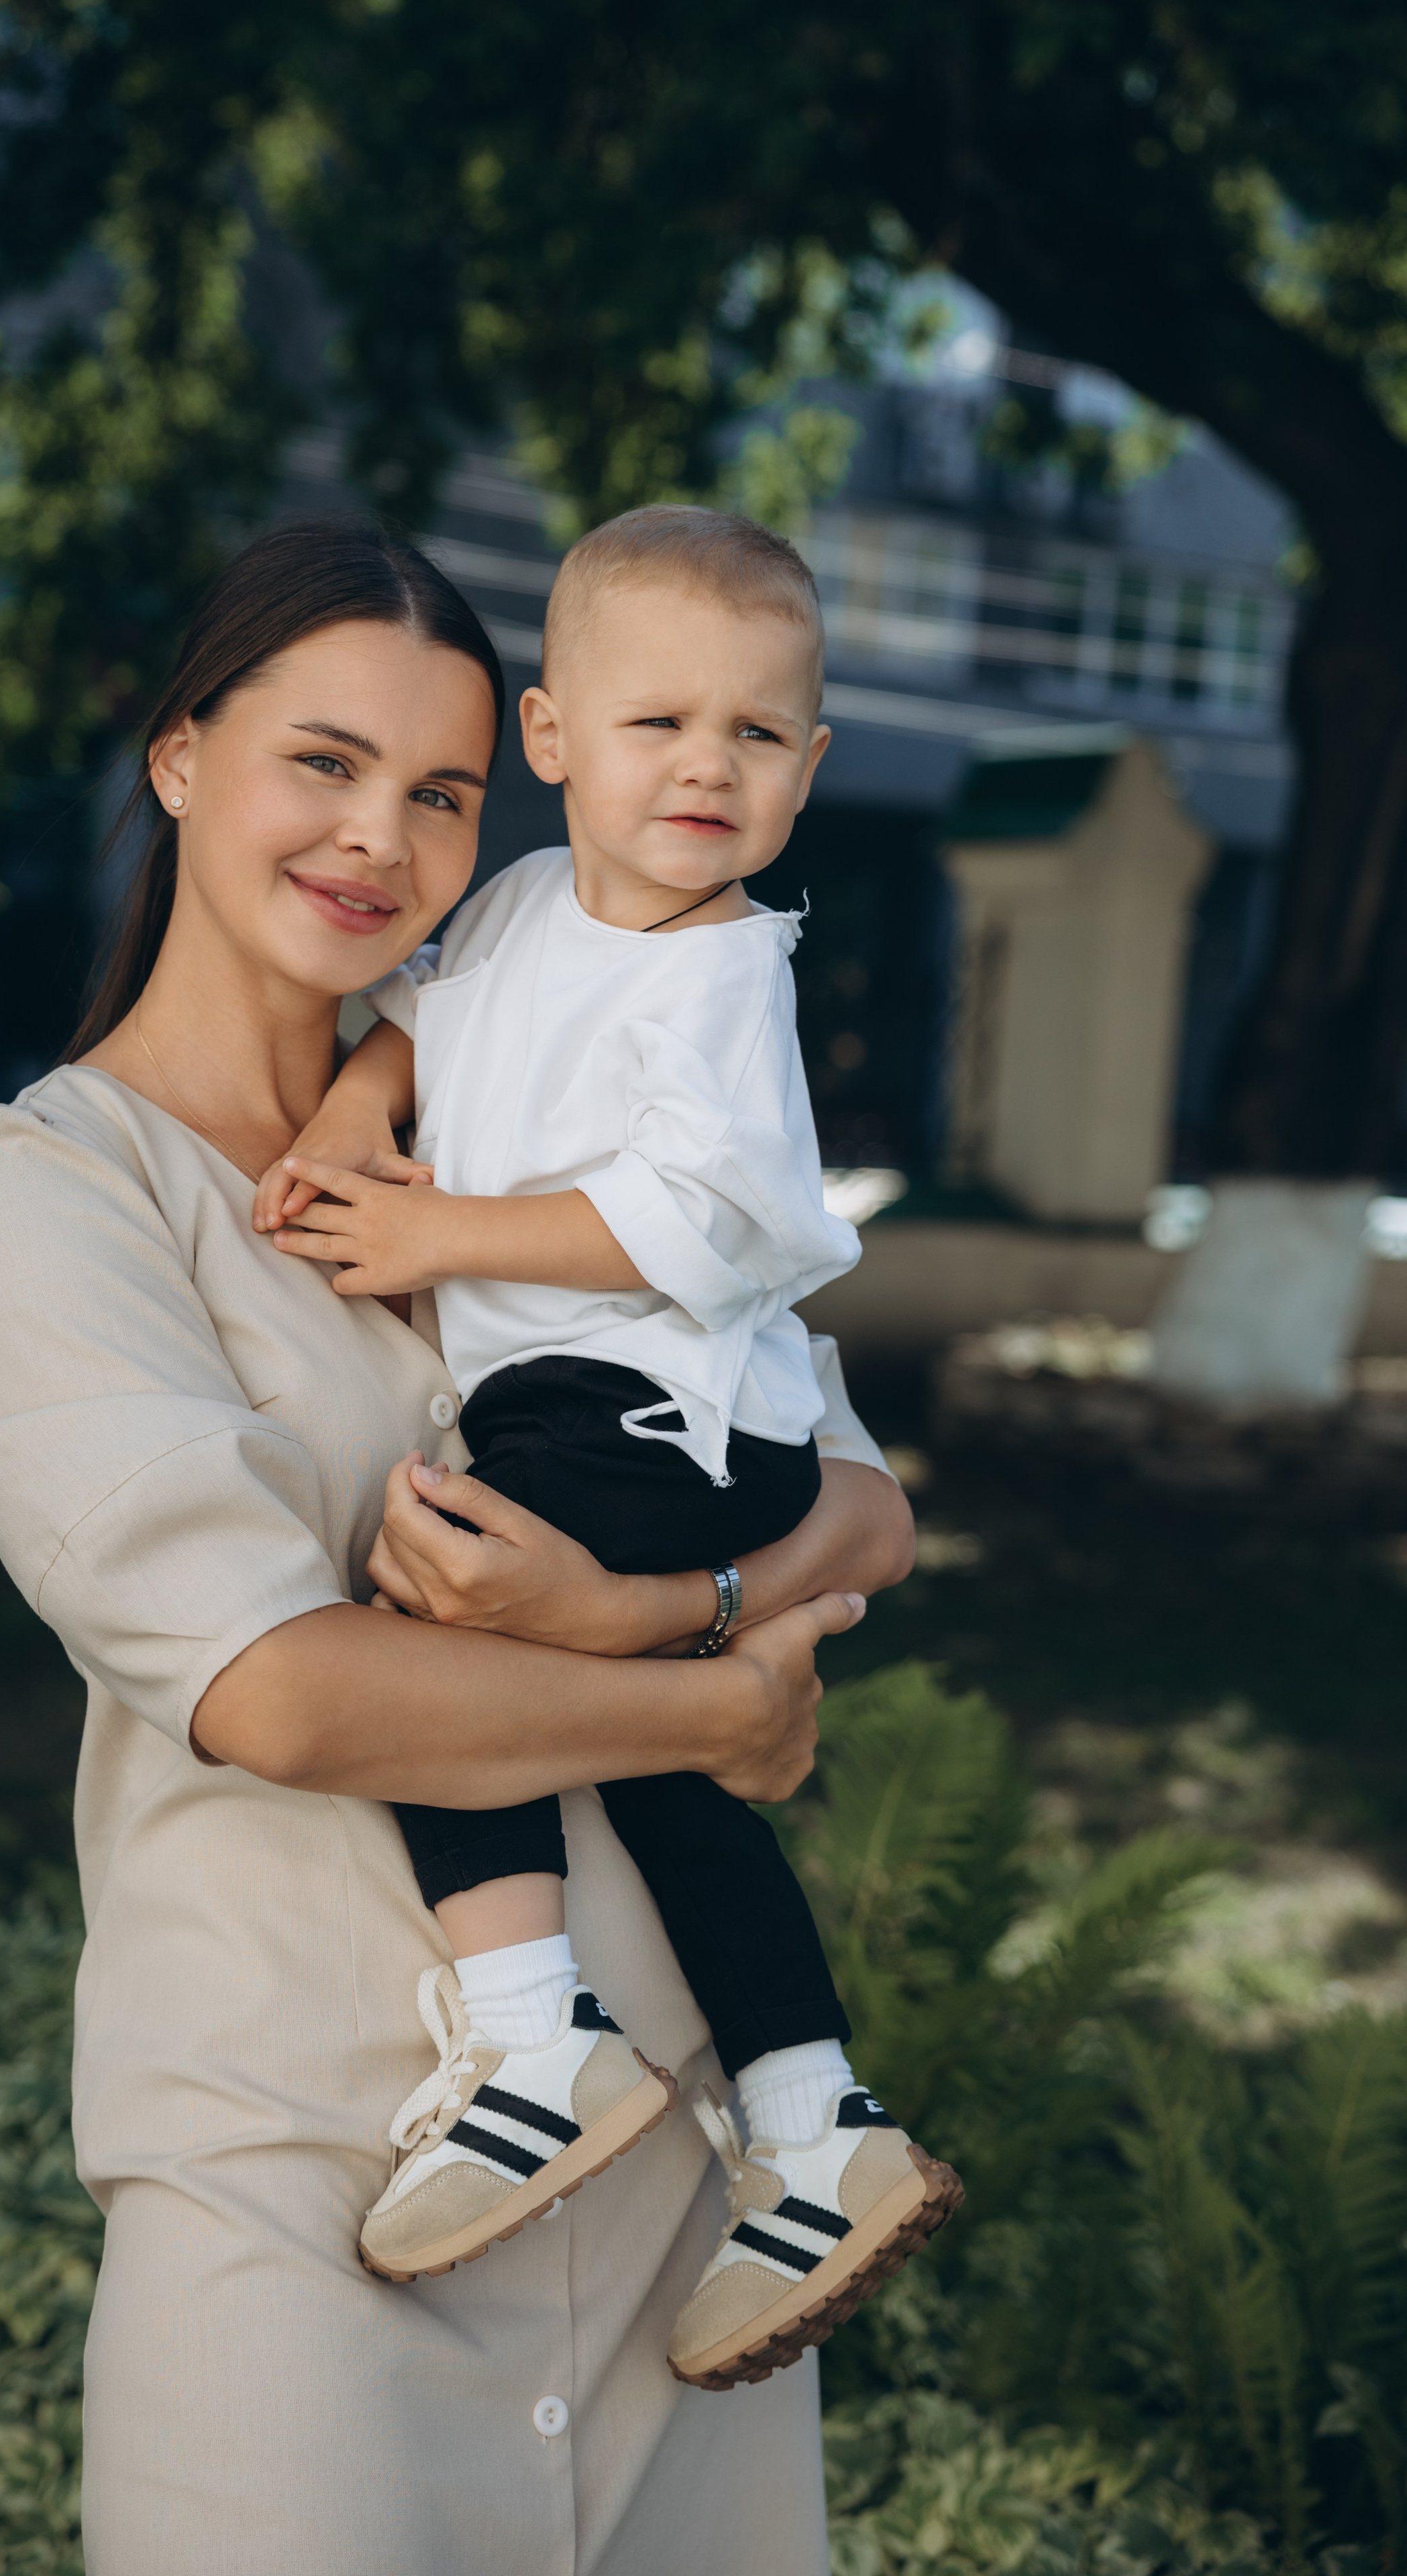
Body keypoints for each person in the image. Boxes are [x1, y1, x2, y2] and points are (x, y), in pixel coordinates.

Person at [0, 518, 915, 2575]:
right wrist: (715, 1698)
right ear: (180, 753)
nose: (380, 835)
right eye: (321, 760)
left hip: (680, 2225)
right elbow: (280, 1688)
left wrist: (664, 1617)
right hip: (305, 2209)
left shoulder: (560, 1102)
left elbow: (862, 1503)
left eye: (442, 792)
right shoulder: (57, 1194)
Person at [254, 506, 961, 2392]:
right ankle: (818, 2129)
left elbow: (681, 1221)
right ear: (554, 740)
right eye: (659, 726)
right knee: (653, 1771)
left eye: (756, 735)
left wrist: (435, 1238)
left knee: (435, 1632)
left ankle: (528, 2029)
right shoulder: (513, 908)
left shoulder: (724, 978)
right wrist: (352, 1108)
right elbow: (423, 1026)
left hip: (658, 1413)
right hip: (596, 1412)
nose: (705, 770)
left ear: (811, 775)